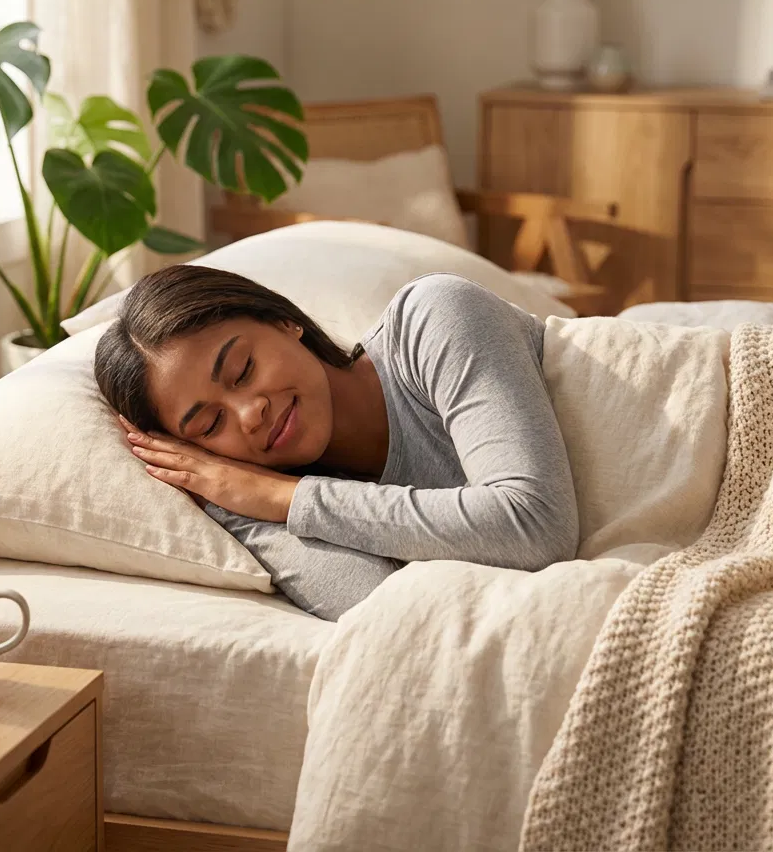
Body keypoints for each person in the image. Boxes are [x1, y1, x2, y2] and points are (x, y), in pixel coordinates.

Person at [95, 266, 579, 621]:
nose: (249, 413)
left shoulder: (434, 317)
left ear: (284, 321)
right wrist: (227, 502)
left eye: (243, 369)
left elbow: (536, 526)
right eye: (209, 425)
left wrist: (281, 497)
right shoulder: (241, 486)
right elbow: (386, 613)